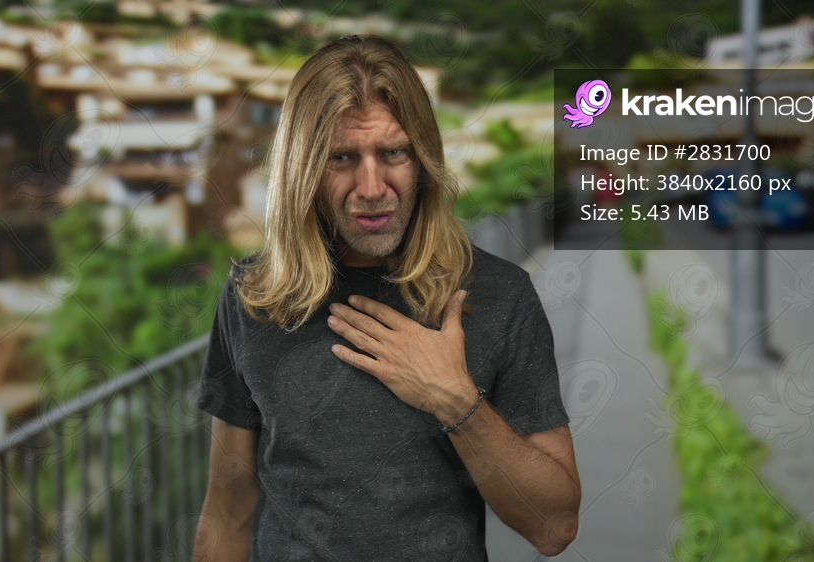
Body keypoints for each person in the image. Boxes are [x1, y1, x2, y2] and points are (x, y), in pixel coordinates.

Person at [193, 35, 580, 561]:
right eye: (342, 158)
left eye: (393, 152)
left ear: (423, 158)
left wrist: (454, 400)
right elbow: (227, 513)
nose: (372, 187)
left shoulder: (500, 295)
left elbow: (554, 528)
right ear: (303, 169)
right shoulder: (252, 297)